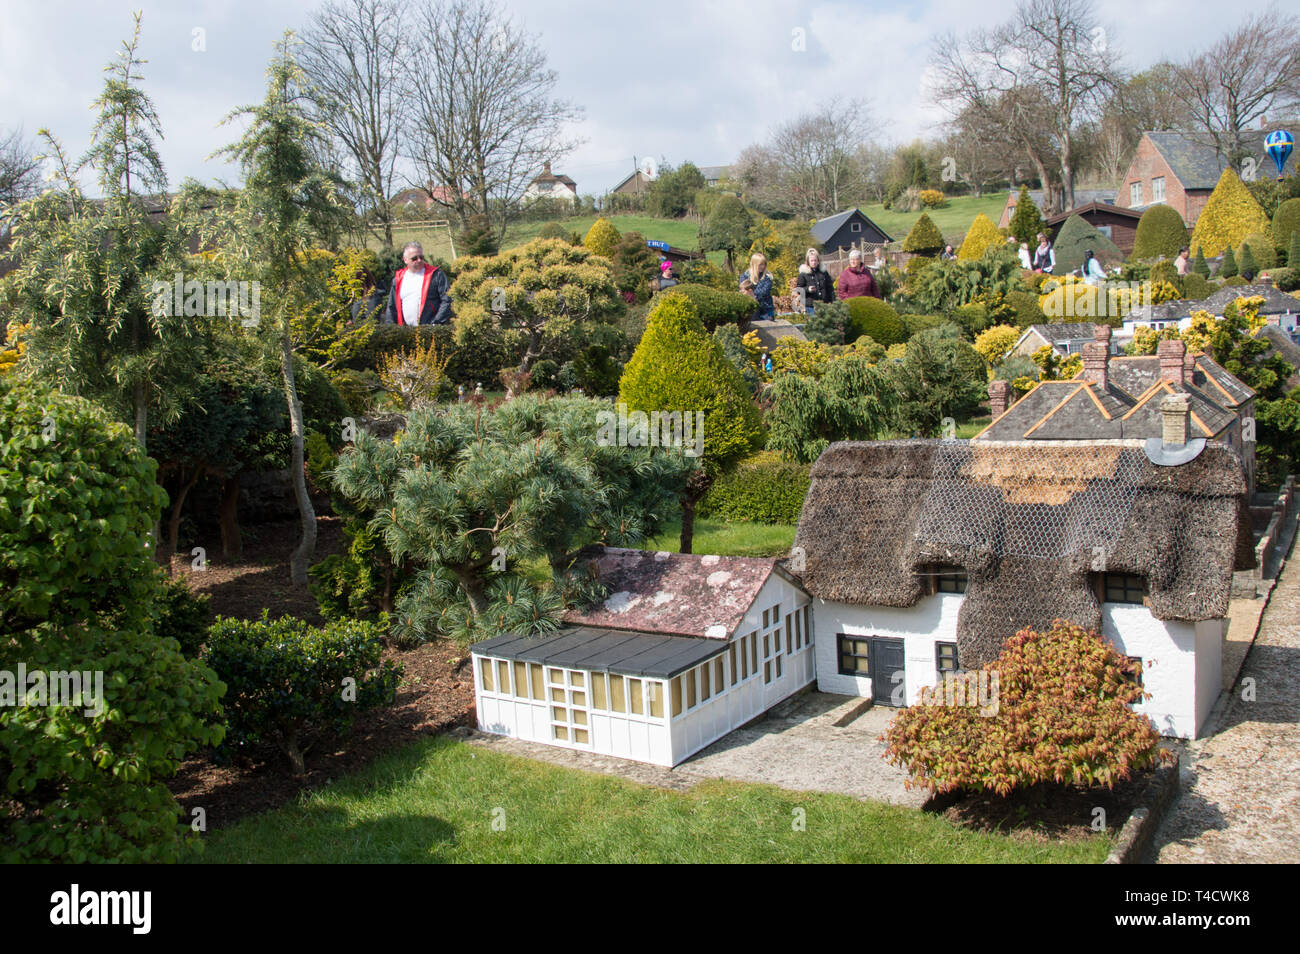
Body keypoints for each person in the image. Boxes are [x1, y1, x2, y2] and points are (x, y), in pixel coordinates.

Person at [382, 241, 451, 325]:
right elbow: (392, 307)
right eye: (414, 258)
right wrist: (390, 328)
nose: (419, 260)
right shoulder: (398, 279)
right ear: (405, 260)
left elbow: (447, 300)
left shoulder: (436, 275)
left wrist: (436, 323)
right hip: (406, 331)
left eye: (421, 257)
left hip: (431, 330)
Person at [796, 248, 835, 314]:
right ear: (808, 261)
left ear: (818, 261)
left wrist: (832, 302)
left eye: (815, 260)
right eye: (812, 261)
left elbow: (830, 288)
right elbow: (799, 289)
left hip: (824, 305)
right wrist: (808, 289)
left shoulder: (824, 273)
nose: (814, 262)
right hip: (810, 306)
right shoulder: (803, 274)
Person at [740, 253, 775, 319]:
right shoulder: (745, 275)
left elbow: (763, 292)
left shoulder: (768, 277)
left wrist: (751, 294)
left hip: (765, 311)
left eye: (764, 264)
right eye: (760, 264)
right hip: (750, 309)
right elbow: (742, 290)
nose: (763, 266)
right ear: (754, 264)